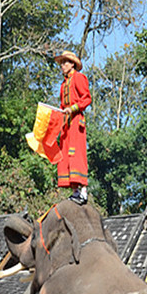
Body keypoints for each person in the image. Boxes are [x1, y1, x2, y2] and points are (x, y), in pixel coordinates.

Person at [54, 50, 92, 204]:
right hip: (66, 124)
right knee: (65, 156)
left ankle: (83, 190)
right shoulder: (63, 85)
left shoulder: (79, 78)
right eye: (61, 63)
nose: (62, 66)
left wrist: (74, 108)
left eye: (65, 63)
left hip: (76, 122)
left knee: (77, 154)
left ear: (72, 64)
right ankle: (74, 191)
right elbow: (63, 105)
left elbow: (87, 98)